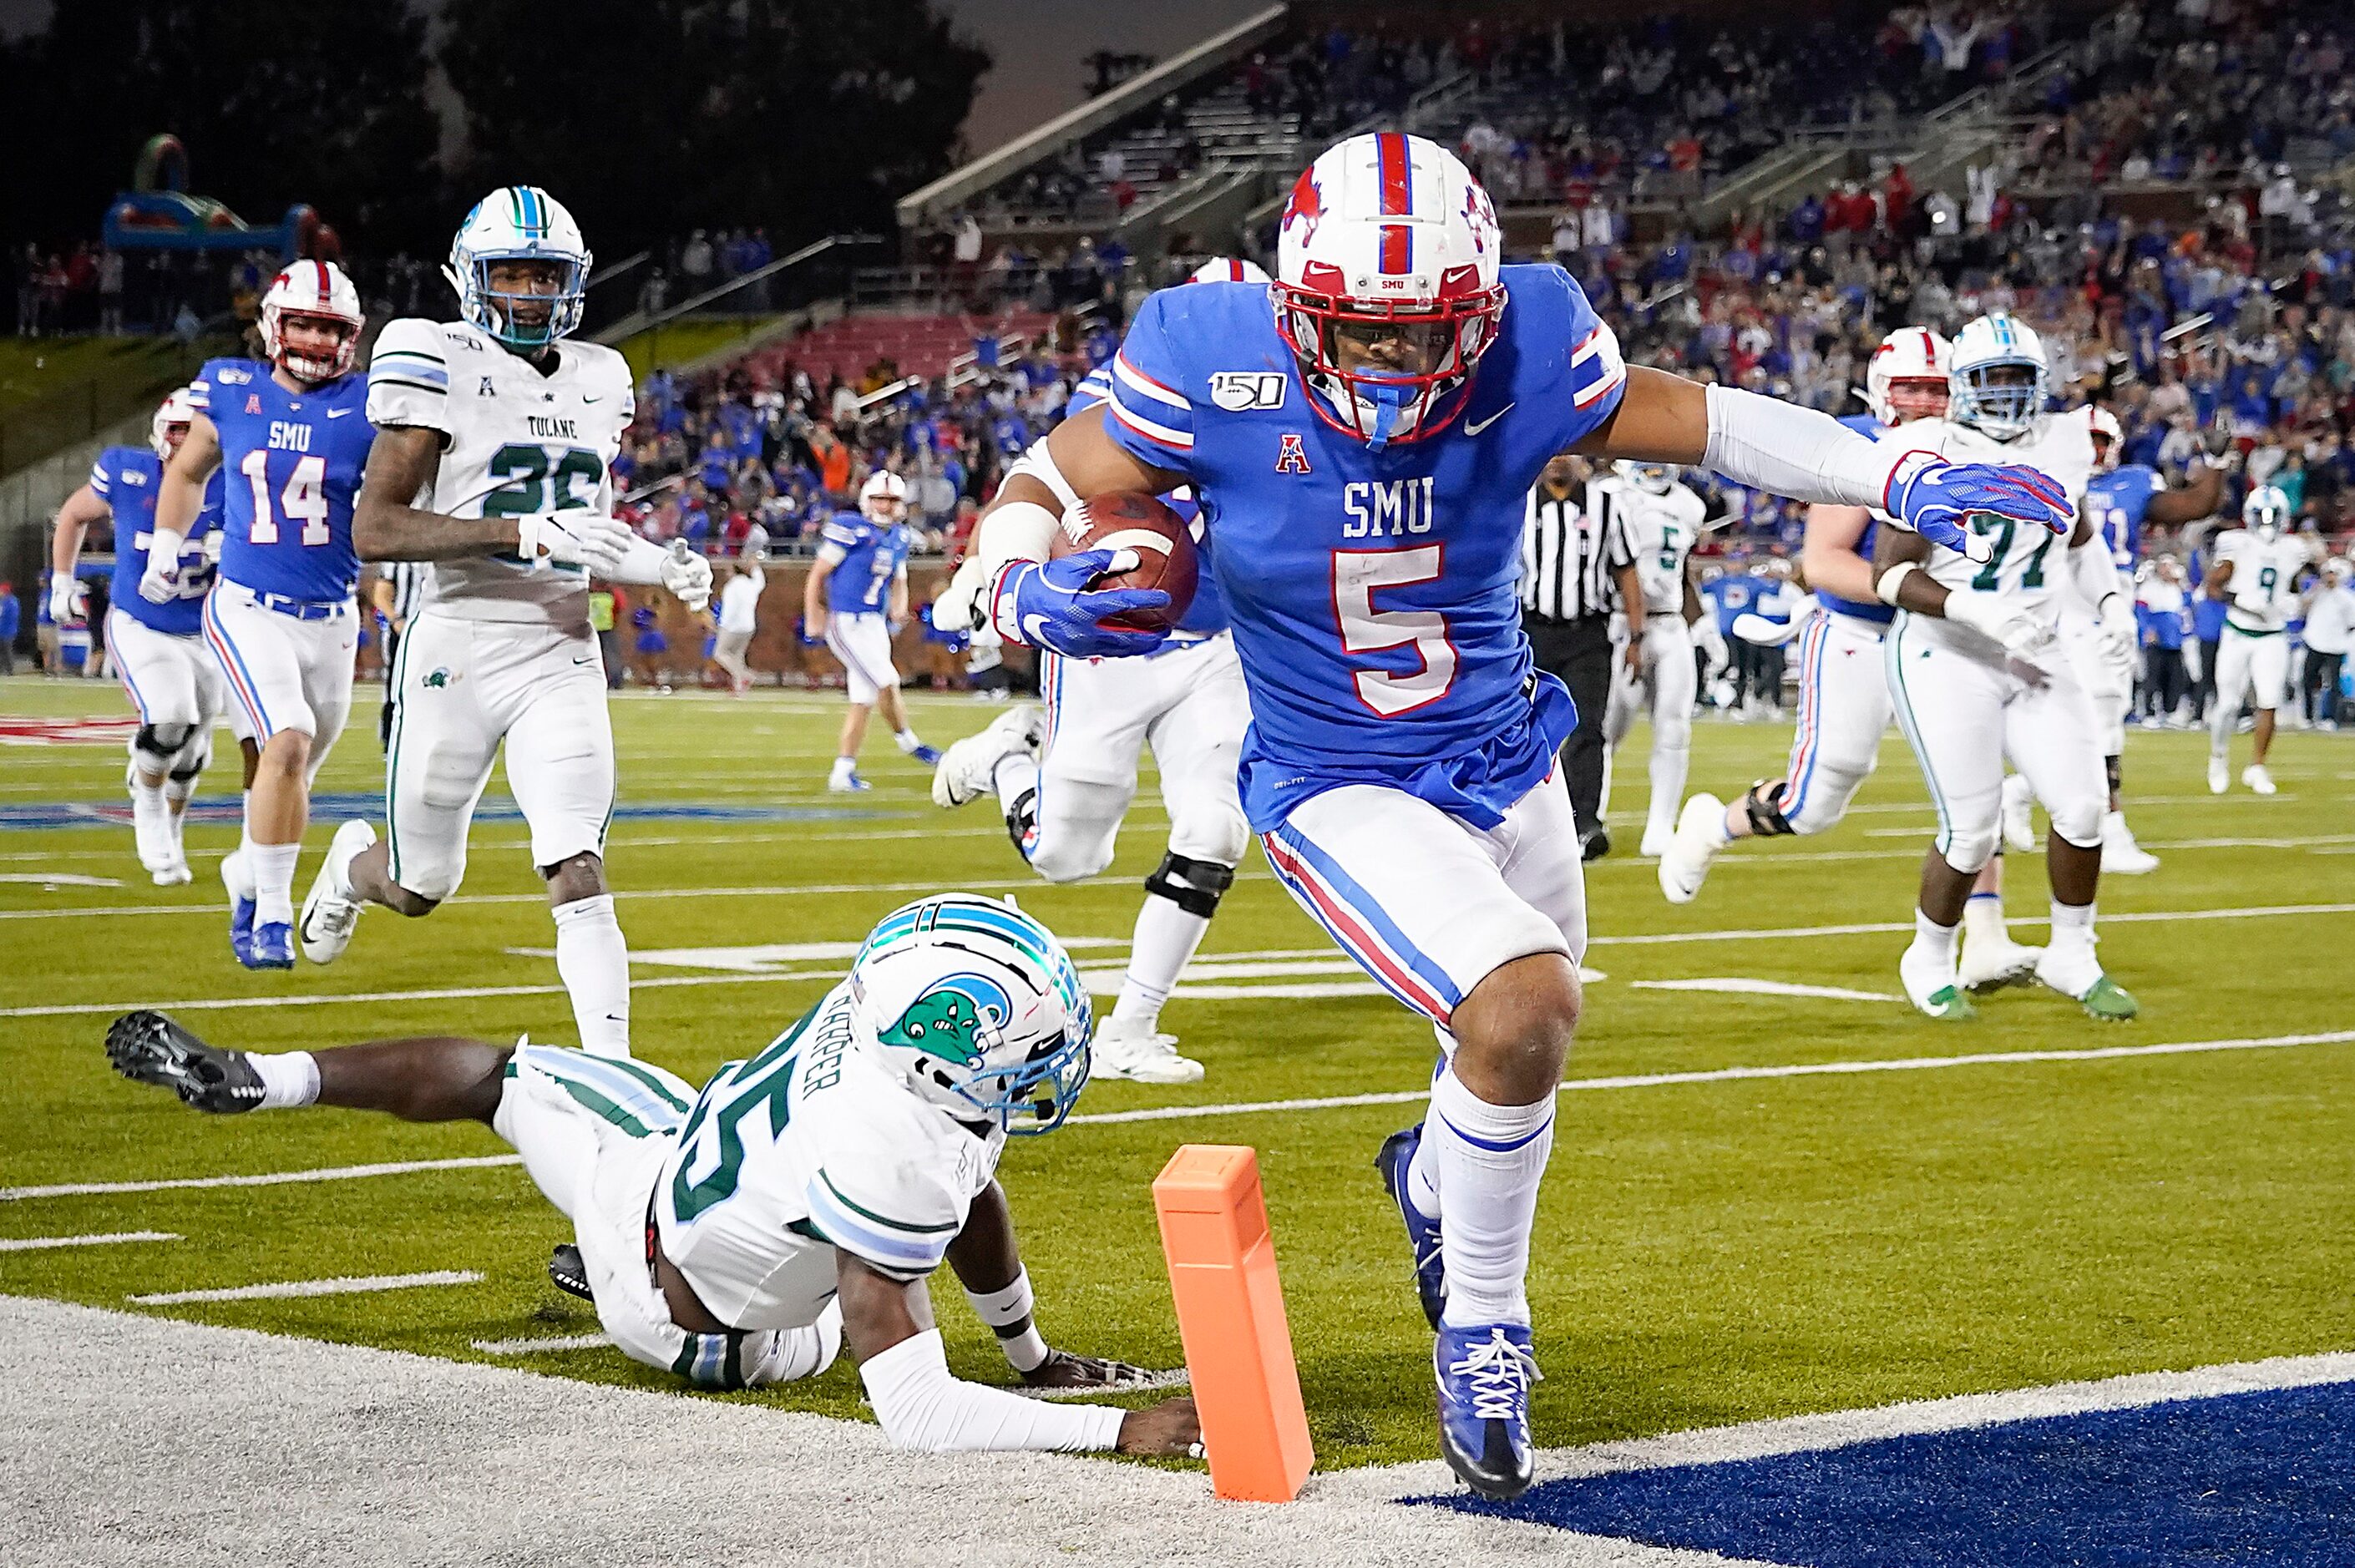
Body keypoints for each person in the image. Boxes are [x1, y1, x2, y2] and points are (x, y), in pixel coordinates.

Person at [952, 133, 2068, 1498]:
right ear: (1300, 309)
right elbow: (1049, 477)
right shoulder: (1206, 352)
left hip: (1507, 753)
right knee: (1524, 1004)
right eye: (1366, 336)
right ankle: (1484, 1322)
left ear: (1481, 312)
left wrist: (1886, 470)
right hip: (1335, 774)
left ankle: (1430, 1183)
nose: (1400, 370)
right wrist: (1012, 584)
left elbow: (1705, 415)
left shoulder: (1534, 330)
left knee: (1514, 1050)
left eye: (1433, 339)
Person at [102, 893, 1201, 1457]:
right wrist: (1123, 1428)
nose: (1052, 1062)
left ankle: (267, 1074)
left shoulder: (881, 1021)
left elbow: (971, 1187)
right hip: (713, 1330)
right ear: (934, 1051)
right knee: (822, 1323)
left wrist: (1031, 1352)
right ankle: (636, 1283)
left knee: (506, 1074)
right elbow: (914, 1410)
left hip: (670, 1157)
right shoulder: (899, 1144)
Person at [297, 188, 713, 1063]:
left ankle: (616, 1077)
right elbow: (375, 529)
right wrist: (515, 531)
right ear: (470, 278)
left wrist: (658, 561)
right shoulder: (430, 354)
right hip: (454, 638)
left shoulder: (602, 376)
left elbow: (582, 529)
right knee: (420, 885)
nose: (528, 293)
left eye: (544, 276)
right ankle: (349, 869)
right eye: (511, 274)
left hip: (559, 642)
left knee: (578, 866)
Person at [929, 259, 1262, 1085]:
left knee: (1217, 827)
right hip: (1110, 643)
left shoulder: (1298, 407)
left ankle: (1130, 1029)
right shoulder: (1121, 400)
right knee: (1064, 860)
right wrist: (987, 571)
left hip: (1219, 648)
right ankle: (1009, 759)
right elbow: (1042, 485)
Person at [1658, 326, 2044, 992]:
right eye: (1910, 387)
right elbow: (1826, 562)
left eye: (1935, 386)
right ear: (1880, 391)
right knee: (1815, 805)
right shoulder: (1862, 446)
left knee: (1972, 788)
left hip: (1945, 644)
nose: (1924, 400)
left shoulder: (1974, 444)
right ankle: (1714, 825)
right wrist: (1929, 596)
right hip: (1860, 636)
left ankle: (1985, 937)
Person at [1871, 313, 2135, 1023]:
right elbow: (1889, 576)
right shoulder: (1926, 446)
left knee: (2083, 809)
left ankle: (2073, 953)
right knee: (1973, 827)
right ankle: (1929, 956)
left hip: (2039, 649)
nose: (2008, 394)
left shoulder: (2067, 439)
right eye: (1993, 380)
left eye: (2020, 379)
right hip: (1947, 652)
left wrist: (2112, 602)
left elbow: (2077, 536)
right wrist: (1970, 609)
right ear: (1964, 387)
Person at [153, 262, 374, 969]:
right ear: (274, 326)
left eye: (328, 326)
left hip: (334, 616)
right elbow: (187, 471)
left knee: (289, 773)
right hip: (248, 603)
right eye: (303, 322)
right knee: (289, 738)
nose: (313, 336)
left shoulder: (372, 406)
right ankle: (275, 914)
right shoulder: (231, 388)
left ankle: (246, 874)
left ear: (352, 335)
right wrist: (165, 546)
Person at [48, 387, 231, 884]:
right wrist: (62, 578)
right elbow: (73, 513)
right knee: (171, 716)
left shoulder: (235, 484)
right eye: (178, 430)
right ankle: (147, 799)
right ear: (159, 432)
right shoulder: (128, 471)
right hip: (142, 622)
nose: (185, 441)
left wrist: (230, 556)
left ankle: (171, 828)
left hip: (208, 633)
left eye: (195, 432)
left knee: (193, 752)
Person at [2062, 405, 2224, 873]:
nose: (2090, 450)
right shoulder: (2045, 478)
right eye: (2084, 439)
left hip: (2107, 613)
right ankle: (2107, 831)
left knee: (2102, 720)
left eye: (2098, 440)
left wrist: (2213, 465)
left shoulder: (2131, 483)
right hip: (2055, 611)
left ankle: (2083, 819)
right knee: (2086, 722)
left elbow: (2193, 506)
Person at [1519, 453, 1639, 859]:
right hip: (1530, 632)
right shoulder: (1520, 502)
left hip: (1587, 633)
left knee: (1589, 728)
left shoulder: (1605, 505)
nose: (1555, 460)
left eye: (1564, 451)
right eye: (1549, 451)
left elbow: (1626, 569)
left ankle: (1583, 821)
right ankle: (1521, 822)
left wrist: (1637, 636)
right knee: (1522, 729)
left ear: (1580, 457)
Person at [1595, 461, 1704, 857]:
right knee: (1608, 728)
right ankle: (1590, 816)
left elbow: (1684, 569)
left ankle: (1660, 827)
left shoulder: (1690, 504)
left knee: (1675, 729)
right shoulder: (1609, 494)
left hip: (1672, 624)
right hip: (1622, 622)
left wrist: (1701, 621)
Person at [806, 470, 939, 791]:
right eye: (880, 499)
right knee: (887, 680)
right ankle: (910, 743)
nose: (885, 506)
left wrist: (898, 607)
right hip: (847, 620)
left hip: (874, 622)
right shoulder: (852, 530)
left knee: (862, 699)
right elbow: (817, 574)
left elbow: (900, 578)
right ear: (867, 500)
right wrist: (813, 615)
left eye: (891, 500)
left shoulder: (900, 537)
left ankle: (842, 771)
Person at [2202, 485, 2315, 794]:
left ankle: (2257, 767)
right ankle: (2218, 758)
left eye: (2273, 515)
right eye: (2263, 514)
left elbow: (2294, 585)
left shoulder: (2294, 548)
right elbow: (2211, 587)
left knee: (2268, 703)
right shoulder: (2235, 543)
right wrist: (2238, 600)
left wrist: (2294, 599)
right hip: (2238, 631)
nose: (2268, 521)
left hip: (2273, 635)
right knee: (2227, 705)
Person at [368, 560, 426, 751]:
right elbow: (381, 594)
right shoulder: (398, 559)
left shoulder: (444, 553)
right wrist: (395, 619)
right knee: (398, 686)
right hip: (404, 631)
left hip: (438, 631)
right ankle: (391, 739)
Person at [2301, 558, 2352, 728]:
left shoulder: (2347, 598)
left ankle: (2330, 718)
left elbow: (2352, 624)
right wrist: (2315, 591)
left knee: (2334, 684)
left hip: (2336, 645)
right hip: (2315, 642)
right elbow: (2302, 609)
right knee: (2308, 679)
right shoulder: (2317, 593)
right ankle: (2308, 717)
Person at [712, 559, 762, 694]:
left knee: (720, 653)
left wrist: (721, 624)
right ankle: (740, 687)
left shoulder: (731, 587)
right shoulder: (751, 584)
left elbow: (730, 608)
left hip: (732, 626)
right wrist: (756, 568)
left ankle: (743, 675)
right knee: (737, 655)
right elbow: (760, 582)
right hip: (748, 626)